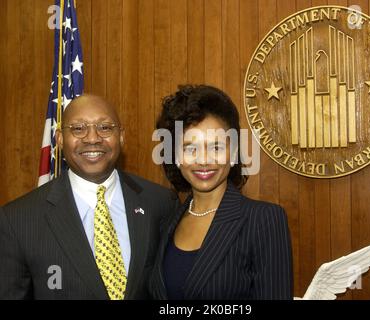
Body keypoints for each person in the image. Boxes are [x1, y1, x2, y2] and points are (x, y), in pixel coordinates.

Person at [0, 94, 179, 300]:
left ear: (121, 136)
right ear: (59, 138)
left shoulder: (161, 202)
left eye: (105, 128)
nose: (93, 138)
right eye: (78, 128)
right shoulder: (17, 220)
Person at [150, 85, 293, 300]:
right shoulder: (166, 222)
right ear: (176, 157)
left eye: (216, 147)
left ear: (233, 152)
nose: (204, 160)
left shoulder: (263, 220)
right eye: (190, 148)